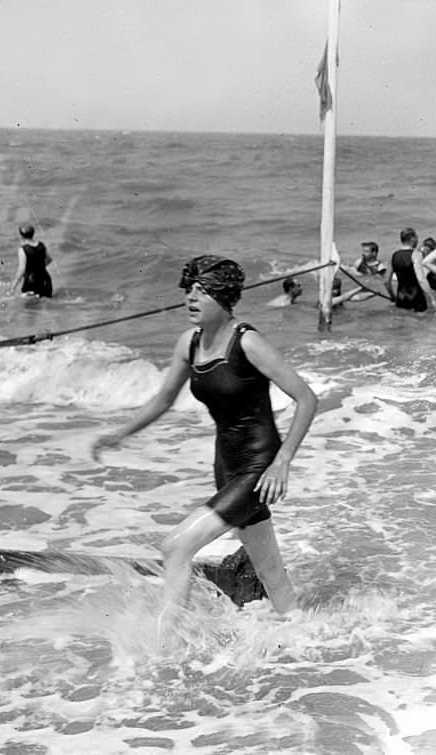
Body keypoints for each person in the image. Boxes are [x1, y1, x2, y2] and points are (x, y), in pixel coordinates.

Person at [91, 255, 318, 637]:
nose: (192, 298)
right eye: (190, 290)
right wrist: (119, 434)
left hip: (258, 467)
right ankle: (307, 640)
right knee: (271, 574)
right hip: (226, 466)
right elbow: (164, 399)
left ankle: (166, 645)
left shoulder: (247, 342)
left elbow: (306, 398)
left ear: (224, 297)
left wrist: (282, 462)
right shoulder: (190, 343)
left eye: (203, 291)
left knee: (176, 546)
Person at [384, 227, 436, 312]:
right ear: (412, 238)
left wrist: (392, 296)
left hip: (401, 298)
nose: (417, 240)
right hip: (416, 298)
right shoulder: (416, 255)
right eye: (416, 237)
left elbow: (386, 282)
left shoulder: (393, 255)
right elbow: (421, 279)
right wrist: (432, 298)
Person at [10, 223, 54, 298]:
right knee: (45, 301)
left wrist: (12, 288)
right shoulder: (41, 245)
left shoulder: (23, 249)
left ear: (21, 236)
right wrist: (38, 268)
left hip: (31, 282)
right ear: (33, 234)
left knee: (29, 304)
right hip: (45, 280)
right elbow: (49, 260)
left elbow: (21, 270)